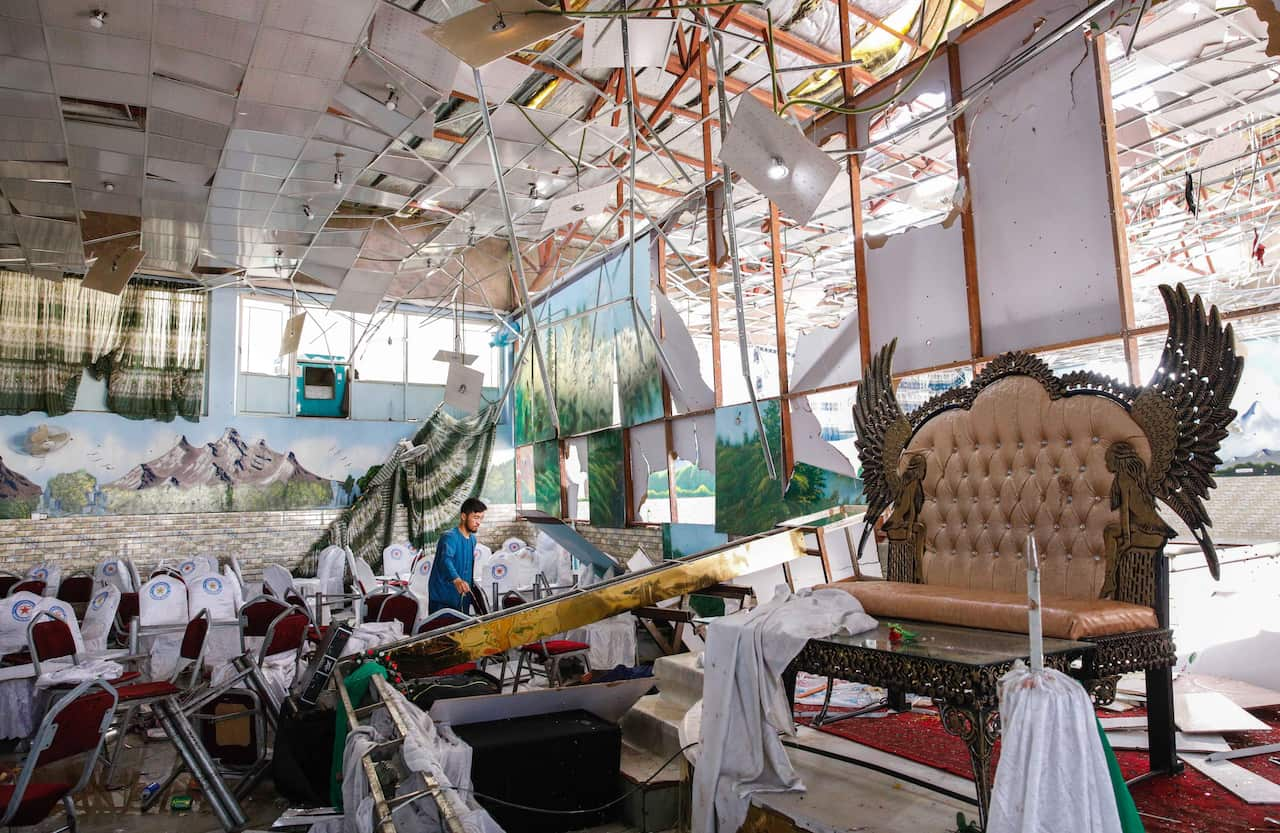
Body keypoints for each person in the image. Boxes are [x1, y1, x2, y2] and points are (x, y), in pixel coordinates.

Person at [427, 497, 486, 614]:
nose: (478, 522)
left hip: (463, 596)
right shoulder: (449, 537)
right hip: (443, 598)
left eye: (481, 518)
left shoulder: (472, 540)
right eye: (475, 517)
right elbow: (445, 560)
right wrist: (457, 580)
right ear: (463, 516)